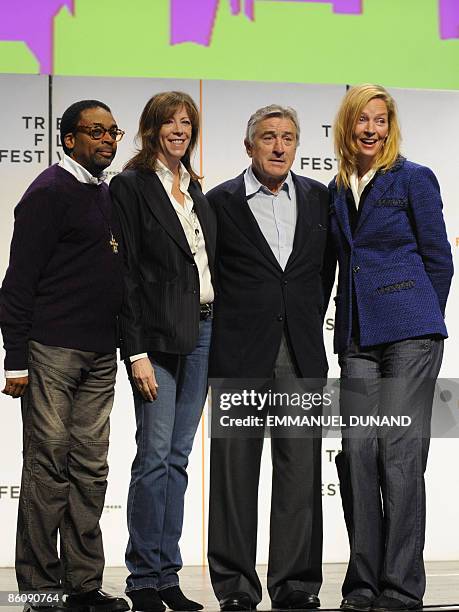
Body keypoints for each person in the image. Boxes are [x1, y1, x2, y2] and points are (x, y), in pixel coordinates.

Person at [324, 84, 454, 612]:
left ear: (390, 126)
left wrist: (419, 316)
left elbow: (439, 260)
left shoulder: (414, 178)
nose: (371, 129)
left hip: (409, 335)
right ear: (347, 127)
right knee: (356, 455)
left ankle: (400, 586)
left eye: (380, 120)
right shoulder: (336, 188)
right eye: (362, 121)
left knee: (399, 456)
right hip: (356, 335)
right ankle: (362, 583)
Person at [0, 100, 129, 612]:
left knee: (90, 471)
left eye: (112, 131)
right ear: (67, 139)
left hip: (101, 353)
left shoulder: (106, 193)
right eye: (94, 131)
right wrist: (15, 359)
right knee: (47, 468)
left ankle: (83, 586)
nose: (107, 139)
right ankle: (38, 589)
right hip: (50, 351)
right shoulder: (48, 193)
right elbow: (16, 284)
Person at [207, 104, 328, 611]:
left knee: (300, 475)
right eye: (269, 137)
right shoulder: (219, 202)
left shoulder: (321, 199)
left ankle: (296, 584)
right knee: (234, 478)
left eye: (288, 138)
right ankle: (235, 587)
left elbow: (323, 275)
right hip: (237, 355)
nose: (279, 147)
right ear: (249, 145)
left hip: (302, 353)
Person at [109, 91, 216, 612]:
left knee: (176, 459)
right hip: (154, 338)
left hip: (204, 331)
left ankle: (168, 575)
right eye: (170, 122)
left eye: (187, 122)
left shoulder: (196, 188)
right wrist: (135, 352)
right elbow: (124, 274)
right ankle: (142, 578)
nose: (180, 129)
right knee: (153, 458)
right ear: (150, 128)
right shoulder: (129, 186)